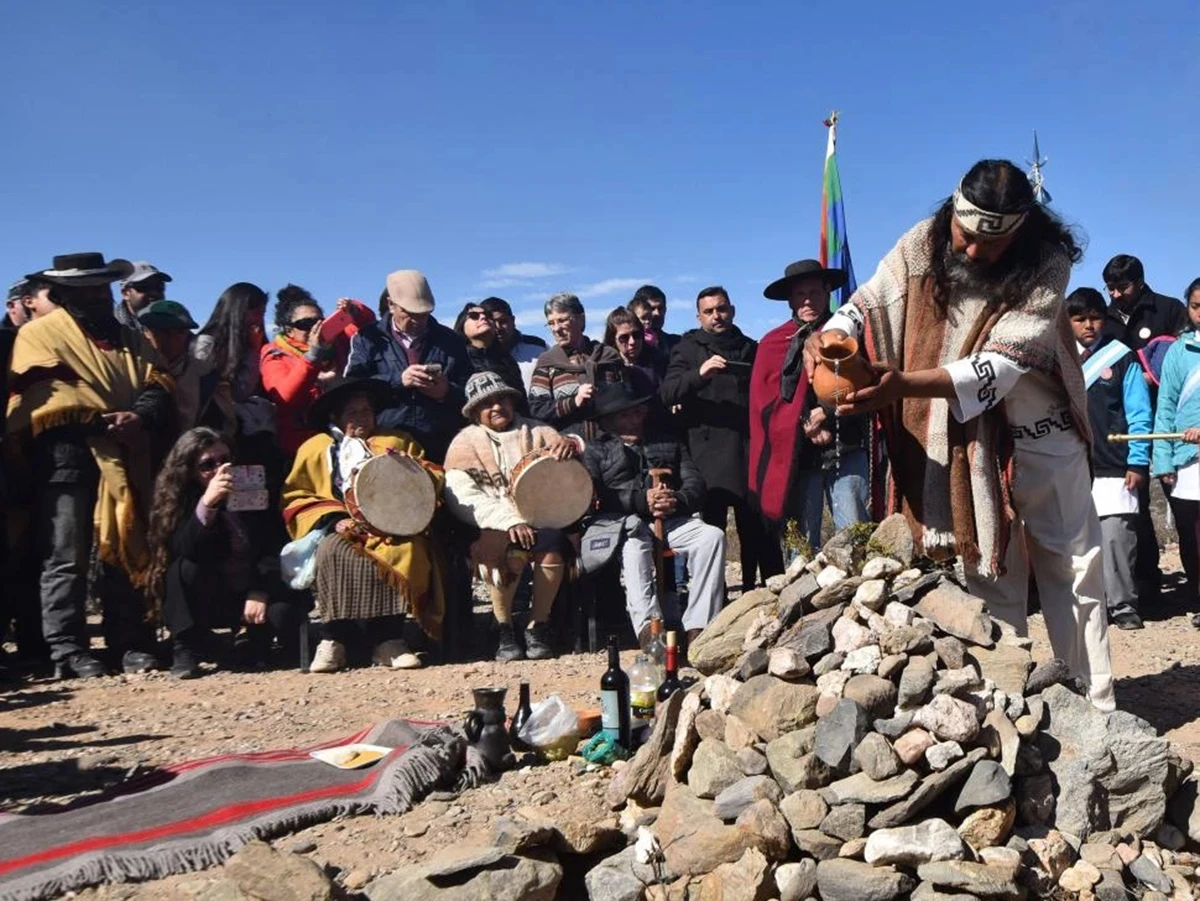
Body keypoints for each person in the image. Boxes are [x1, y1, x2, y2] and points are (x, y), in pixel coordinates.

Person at [804, 159, 1114, 711]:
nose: (972, 253)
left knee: (1073, 573)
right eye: (965, 237)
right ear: (951, 215)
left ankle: (1093, 705)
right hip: (965, 450)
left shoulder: (1047, 263)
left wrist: (902, 386)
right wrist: (834, 332)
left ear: (1020, 234)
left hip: (1044, 443)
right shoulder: (924, 242)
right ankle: (1012, 703)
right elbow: (870, 298)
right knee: (989, 576)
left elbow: (999, 367)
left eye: (990, 246)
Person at [5, 252, 174, 678]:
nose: (97, 295)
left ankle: (129, 641)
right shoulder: (39, 335)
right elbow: (42, 394)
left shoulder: (129, 337)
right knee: (66, 555)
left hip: (125, 455)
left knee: (124, 548)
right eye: (86, 289)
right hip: (65, 460)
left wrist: (139, 415)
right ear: (64, 294)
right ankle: (66, 648)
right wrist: (95, 419)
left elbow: (158, 381)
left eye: (101, 287)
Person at [282, 379, 444, 673]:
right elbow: (297, 495)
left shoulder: (396, 442)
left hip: (394, 526)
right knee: (331, 553)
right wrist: (335, 519)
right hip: (340, 526)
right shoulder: (315, 448)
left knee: (407, 550)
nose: (362, 417)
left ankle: (389, 641)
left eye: (367, 411)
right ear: (336, 417)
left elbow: (431, 476)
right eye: (353, 412)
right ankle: (334, 640)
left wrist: (407, 469)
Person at [146, 428, 307, 678]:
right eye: (208, 465)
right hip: (211, 589)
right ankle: (186, 646)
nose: (221, 470)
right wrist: (207, 505)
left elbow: (274, 543)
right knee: (182, 567)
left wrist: (260, 588)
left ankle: (253, 642)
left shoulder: (254, 488)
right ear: (190, 471)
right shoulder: (181, 499)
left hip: (253, 586)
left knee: (283, 613)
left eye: (225, 460)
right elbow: (183, 548)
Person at [444, 372, 580, 661]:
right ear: (474, 412)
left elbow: (569, 476)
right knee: (508, 549)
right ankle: (503, 627)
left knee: (554, 545)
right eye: (487, 403)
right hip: (490, 523)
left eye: (501, 399)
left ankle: (537, 625)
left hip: (542, 518)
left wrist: (572, 446)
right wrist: (509, 520)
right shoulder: (463, 444)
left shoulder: (541, 432)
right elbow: (464, 498)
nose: (496, 407)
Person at [578, 381, 725, 648]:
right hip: (624, 525)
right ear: (608, 421)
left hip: (670, 520)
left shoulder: (668, 441)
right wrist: (641, 501)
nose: (634, 418)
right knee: (635, 549)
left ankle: (698, 628)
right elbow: (595, 496)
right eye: (624, 414)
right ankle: (650, 630)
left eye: (637, 411)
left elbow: (695, 484)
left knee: (711, 537)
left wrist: (675, 500)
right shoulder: (595, 450)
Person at [663, 286, 783, 589]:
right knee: (711, 532)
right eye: (709, 311)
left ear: (732, 310)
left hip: (749, 453)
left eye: (722, 309)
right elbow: (667, 393)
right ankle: (711, 601)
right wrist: (699, 374)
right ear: (699, 316)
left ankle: (768, 591)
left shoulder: (750, 347)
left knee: (758, 530)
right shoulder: (687, 349)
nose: (717, 316)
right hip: (708, 459)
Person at [748, 259, 871, 552]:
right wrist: (803, 421)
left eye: (814, 293)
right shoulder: (772, 343)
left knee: (854, 531)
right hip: (797, 455)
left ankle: (860, 593)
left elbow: (866, 381)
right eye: (800, 294)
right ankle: (801, 597)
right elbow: (765, 404)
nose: (807, 301)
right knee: (801, 542)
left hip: (846, 444)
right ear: (790, 299)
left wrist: (826, 414)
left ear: (827, 291)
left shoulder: (849, 334)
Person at [1102, 253, 1188, 601]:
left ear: (1139, 281)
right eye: (1110, 288)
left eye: (1122, 287)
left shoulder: (1169, 310)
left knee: (1182, 502)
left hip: (1170, 424)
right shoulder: (1103, 319)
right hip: (1124, 427)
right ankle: (1145, 582)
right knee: (1133, 508)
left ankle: (1193, 582)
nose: (1116, 294)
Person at [1068, 288, 1151, 630]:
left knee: (1117, 538)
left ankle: (1123, 606)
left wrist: (1138, 461)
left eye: (1096, 317)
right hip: (1070, 464)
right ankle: (1086, 606)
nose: (1089, 325)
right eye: (1079, 319)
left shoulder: (1122, 357)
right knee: (1076, 542)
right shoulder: (1058, 359)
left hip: (1115, 463)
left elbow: (1140, 412)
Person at [344, 270, 471, 464]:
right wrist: (398, 380)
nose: (418, 321)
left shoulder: (451, 341)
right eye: (410, 313)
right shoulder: (367, 339)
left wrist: (447, 392)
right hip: (385, 443)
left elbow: (471, 393)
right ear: (391, 305)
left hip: (441, 444)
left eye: (424, 314)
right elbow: (352, 387)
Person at [261, 284, 363, 456]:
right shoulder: (275, 354)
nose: (314, 328)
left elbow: (366, 323)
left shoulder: (338, 341)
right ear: (289, 330)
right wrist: (314, 355)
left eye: (318, 321)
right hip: (303, 445)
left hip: (348, 435)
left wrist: (354, 308)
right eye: (305, 324)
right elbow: (286, 399)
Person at [1151, 279, 1200, 619]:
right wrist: (1163, 460)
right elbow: (1165, 407)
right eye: (1197, 306)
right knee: (1191, 533)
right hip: (1186, 460)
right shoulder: (1178, 353)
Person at [529, 292, 624, 431]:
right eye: (551, 323)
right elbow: (536, 409)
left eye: (562, 320)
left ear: (581, 319)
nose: (556, 329)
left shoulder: (607, 356)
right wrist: (574, 402)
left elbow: (627, 399)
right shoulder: (547, 363)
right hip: (568, 444)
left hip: (613, 440)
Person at [137, 300, 214, 432]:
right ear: (147, 332)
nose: (172, 340)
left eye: (179, 332)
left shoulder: (197, 370)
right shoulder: (138, 368)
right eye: (164, 332)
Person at [454, 301, 526, 403]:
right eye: (474, 316)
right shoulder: (455, 360)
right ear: (462, 326)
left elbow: (521, 402)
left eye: (488, 316)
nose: (483, 318)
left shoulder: (507, 361)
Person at [480, 296, 547, 392]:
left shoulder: (538, 348)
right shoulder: (475, 356)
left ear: (513, 321)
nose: (498, 328)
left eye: (502, 321)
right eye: (492, 323)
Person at [603, 306, 664, 393]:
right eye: (624, 337)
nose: (632, 341)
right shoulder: (606, 369)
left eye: (636, 335)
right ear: (613, 339)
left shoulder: (658, 364)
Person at [628, 284, 680, 360]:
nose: (657, 313)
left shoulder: (676, 344)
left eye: (660, 308)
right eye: (651, 309)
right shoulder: (630, 346)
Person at [116, 261, 171, 330]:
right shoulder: (112, 327)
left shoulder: (174, 326)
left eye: (159, 287)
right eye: (144, 287)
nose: (154, 293)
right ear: (126, 293)